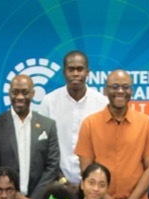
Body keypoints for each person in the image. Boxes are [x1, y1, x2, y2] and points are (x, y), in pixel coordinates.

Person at [75, 69, 149, 199]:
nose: (120, 91)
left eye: (125, 87)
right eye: (115, 87)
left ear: (132, 90)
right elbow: (86, 169)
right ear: (105, 90)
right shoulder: (90, 124)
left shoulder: (146, 123)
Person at [0, 74, 61, 199]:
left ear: (33, 93)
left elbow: (52, 165)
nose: (19, 97)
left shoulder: (48, 125)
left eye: (25, 92)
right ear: (9, 93)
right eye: (15, 92)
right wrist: (15, 196)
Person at [41, 51, 108, 185]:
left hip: (93, 184)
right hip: (57, 182)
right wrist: (61, 179)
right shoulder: (49, 102)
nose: (75, 74)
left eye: (80, 69)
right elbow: (43, 147)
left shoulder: (102, 103)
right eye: (71, 69)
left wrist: (90, 180)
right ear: (64, 72)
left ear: (87, 72)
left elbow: (105, 147)